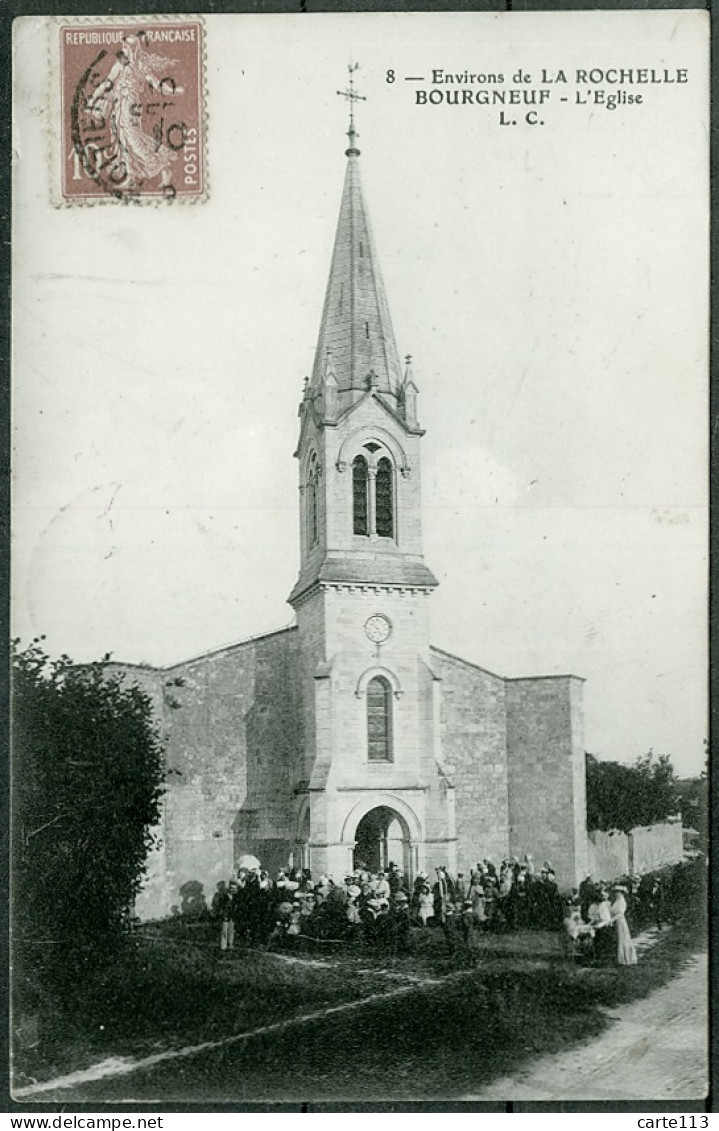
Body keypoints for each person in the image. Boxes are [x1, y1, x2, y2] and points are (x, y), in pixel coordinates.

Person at [610, 884, 637, 966]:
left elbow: (620, 914)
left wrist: (612, 919)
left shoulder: (622, 901)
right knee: (619, 939)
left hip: (620, 922)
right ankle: (621, 959)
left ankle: (625, 959)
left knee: (623, 939)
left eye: (617, 892)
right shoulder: (617, 901)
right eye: (615, 892)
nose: (616, 894)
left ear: (622, 893)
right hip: (616, 922)